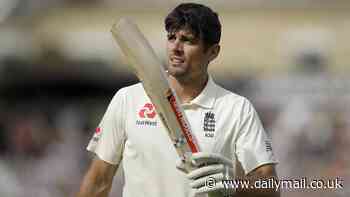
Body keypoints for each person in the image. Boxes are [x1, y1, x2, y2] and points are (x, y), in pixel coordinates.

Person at [77, 3, 279, 197]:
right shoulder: (128, 99)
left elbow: (271, 186)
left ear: (213, 52)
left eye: (188, 40)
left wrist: (232, 184)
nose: (176, 48)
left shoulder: (236, 108)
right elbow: (98, 182)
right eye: (172, 38)